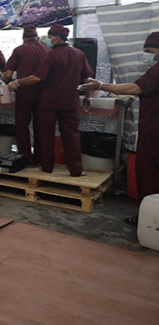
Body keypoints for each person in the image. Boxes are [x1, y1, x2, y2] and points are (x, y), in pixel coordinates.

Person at [79, 32, 159, 224]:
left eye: (149, 51)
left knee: (149, 171)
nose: (146, 55)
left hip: (154, 129)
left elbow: (135, 88)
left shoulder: (157, 70)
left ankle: (149, 217)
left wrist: (101, 85)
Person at [9, 24, 93, 176]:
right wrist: (88, 97)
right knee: (72, 135)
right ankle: (76, 170)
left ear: (57, 38)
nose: (49, 40)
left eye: (51, 37)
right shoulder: (79, 54)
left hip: (49, 101)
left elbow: (37, 77)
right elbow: (87, 80)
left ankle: (47, 167)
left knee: (46, 135)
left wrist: (18, 82)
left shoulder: (52, 56)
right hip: (70, 102)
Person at [2, 26, 50, 166]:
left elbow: (8, 74)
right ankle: (40, 158)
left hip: (25, 92)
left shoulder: (19, 50)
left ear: (23, 39)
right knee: (40, 125)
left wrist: (7, 82)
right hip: (44, 93)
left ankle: (26, 158)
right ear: (37, 38)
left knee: (22, 125)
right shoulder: (47, 50)